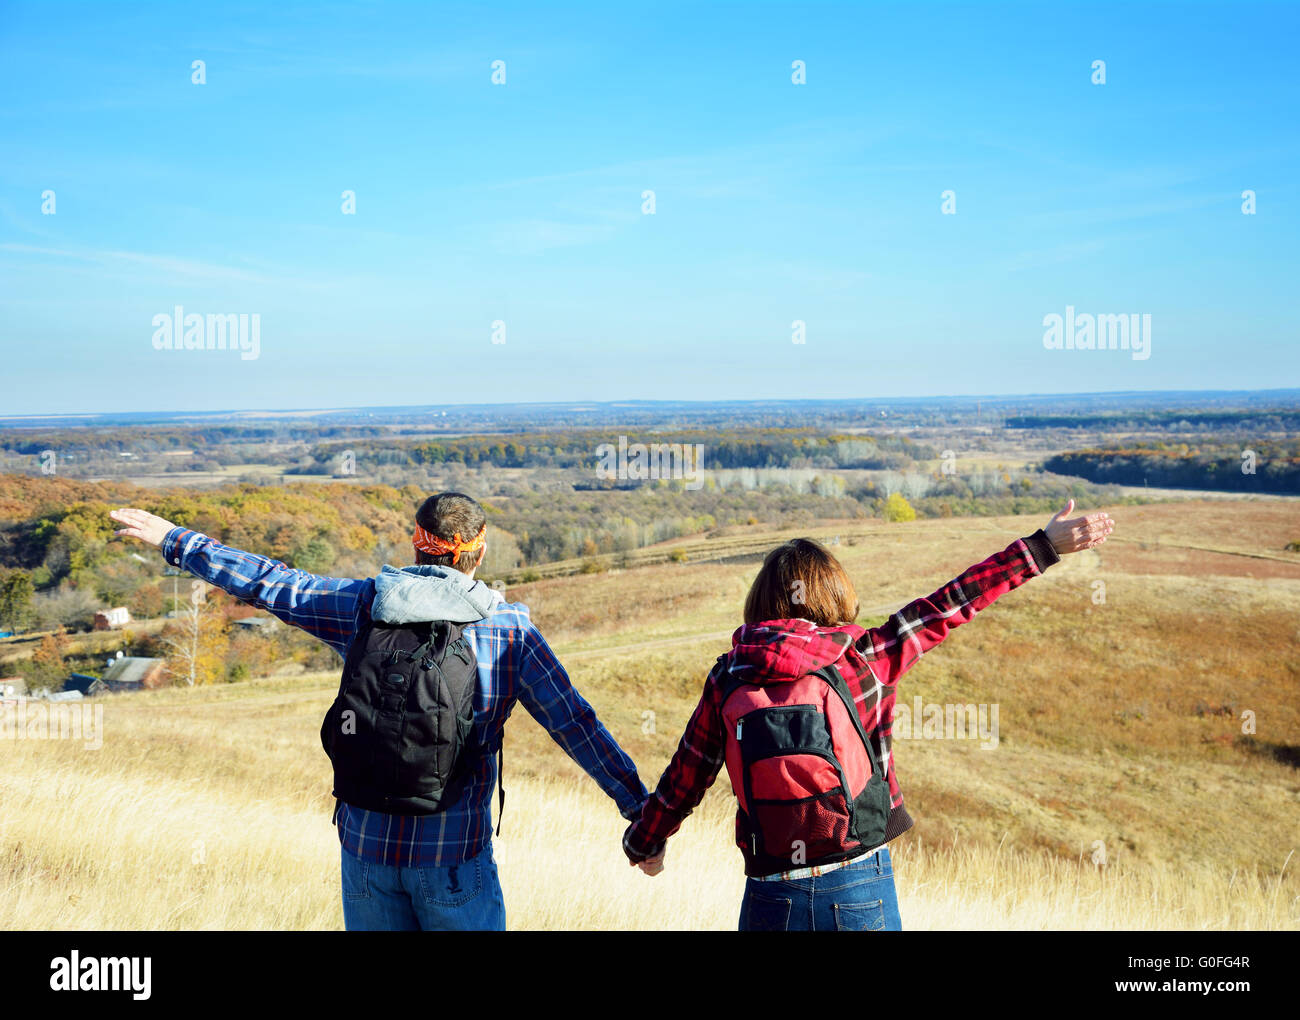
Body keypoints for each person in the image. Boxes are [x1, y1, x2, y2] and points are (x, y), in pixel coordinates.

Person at [110, 492, 647, 931]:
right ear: (477, 556)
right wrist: (641, 813)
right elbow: (575, 724)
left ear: (417, 547)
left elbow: (269, 582)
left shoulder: (363, 607)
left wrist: (177, 540)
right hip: (453, 856)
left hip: (366, 850)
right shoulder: (508, 633)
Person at [622, 500, 1113, 931]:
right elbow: (951, 603)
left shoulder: (729, 677)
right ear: (833, 594)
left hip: (771, 894)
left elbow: (685, 778)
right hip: (858, 884)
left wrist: (646, 843)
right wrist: (1043, 547)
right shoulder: (865, 659)